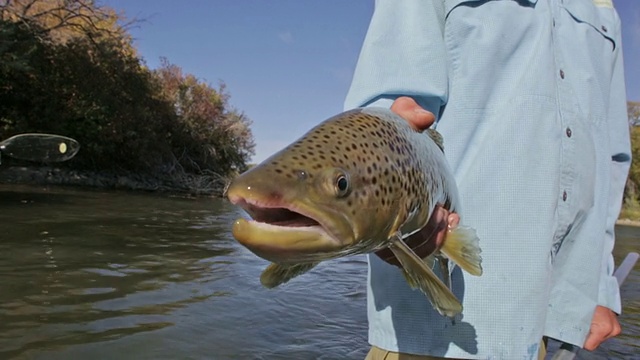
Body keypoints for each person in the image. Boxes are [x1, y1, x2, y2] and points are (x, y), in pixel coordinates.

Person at [343, 0, 630, 359]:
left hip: (545, 320)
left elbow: (610, 156)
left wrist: (598, 288)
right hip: (436, 330)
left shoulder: (604, 8)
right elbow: (386, 112)